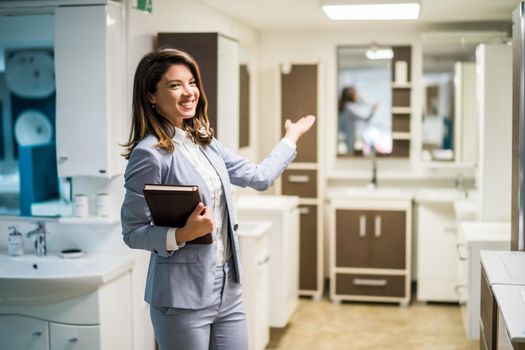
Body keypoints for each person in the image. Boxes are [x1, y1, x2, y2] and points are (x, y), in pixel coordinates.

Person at [120, 47, 315, 350]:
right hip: (181, 298)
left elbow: (259, 177)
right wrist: (182, 234)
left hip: (228, 290)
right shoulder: (150, 154)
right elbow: (133, 232)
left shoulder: (205, 143)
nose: (189, 92)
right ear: (151, 96)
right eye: (175, 85)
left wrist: (290, 138)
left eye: (192, 82)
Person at [338, 86, 378, 154]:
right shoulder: (349, 108)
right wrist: (373, 110)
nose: (357, 95)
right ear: (351, 95)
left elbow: (362, 102)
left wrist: (360, 97)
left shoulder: (346, 106)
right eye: (356, 94)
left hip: (348, 136)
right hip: (349, 137)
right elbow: (366, 119)